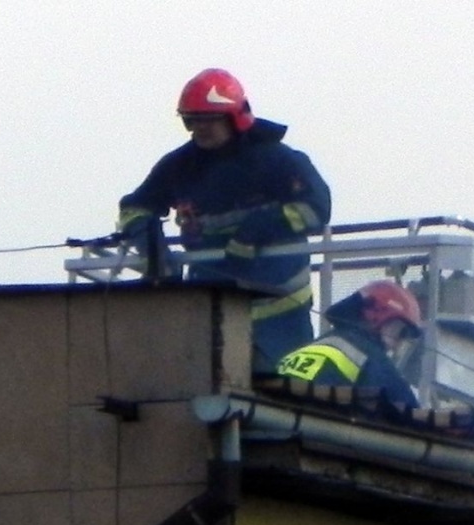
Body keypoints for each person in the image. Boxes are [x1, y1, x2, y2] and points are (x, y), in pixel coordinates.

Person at [118, 68, 331, 376]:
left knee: (283, 394)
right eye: (192, 120)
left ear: (235, 117)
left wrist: (257, 230)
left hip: (279, 315)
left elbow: (316, 206)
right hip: (211, 309)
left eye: (209, 119)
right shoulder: (180, 166)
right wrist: (151, 246)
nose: (199, 128)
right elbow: (134, 208)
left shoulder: (276, 160)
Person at [277, 281, 423, 409]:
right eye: (402, 332)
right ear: (377, 314)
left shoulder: (313, 346)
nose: (398, 345)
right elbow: (408, 408)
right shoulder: (370, 357)